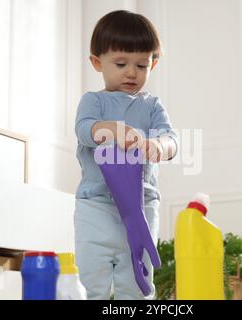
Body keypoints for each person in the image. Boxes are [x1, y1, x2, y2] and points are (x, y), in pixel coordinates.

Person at [74, 10, 178, 300]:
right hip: (96, 206)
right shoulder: (94, 101)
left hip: (142, 208)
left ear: (153, 63)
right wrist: (111, 130)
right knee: (90, 279)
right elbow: (83, 130)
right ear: (97, 62)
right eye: (121, 63)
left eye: (142, 65)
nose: (131, 72)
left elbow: (172, 139)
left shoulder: (152, 106)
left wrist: (159, 146)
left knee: (137, 283)